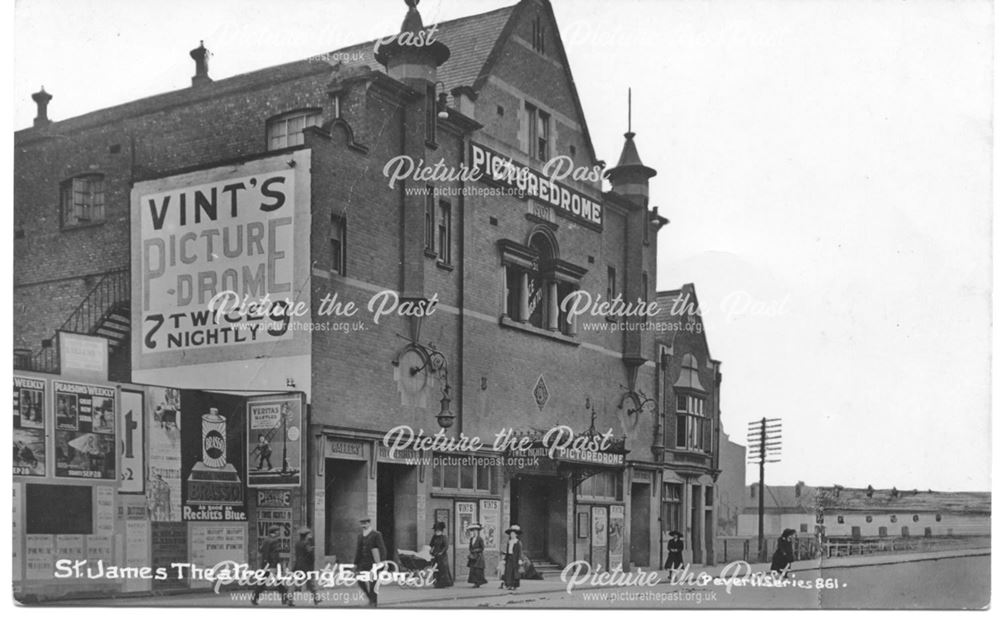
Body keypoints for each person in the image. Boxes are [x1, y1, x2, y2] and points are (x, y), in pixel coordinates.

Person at [251, 526, 289, 606]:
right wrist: (274, 566)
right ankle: (285, 598)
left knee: (262, 582)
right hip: (272, 565)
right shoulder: (274, 541)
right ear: (274, 532)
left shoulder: (266, 540)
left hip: (265, 565)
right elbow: (274, 555)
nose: (279, 533)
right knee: (279, 582)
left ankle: (254, 597)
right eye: (278, 531)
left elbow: (261, 551)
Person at [354, 518, 387, 607]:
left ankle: (373, 602)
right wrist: (356, 563)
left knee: (373, 583)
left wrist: (382, 561)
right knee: (360, 580)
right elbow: (358, 550)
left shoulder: (376, 534)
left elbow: (382, 548)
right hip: (363, 561)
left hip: (373, 562)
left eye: (365, 523)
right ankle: (370, 598)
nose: (363, 525)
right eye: (362, 523)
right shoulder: (360, 536)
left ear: (369, 523)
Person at [290, 526, 320, 606]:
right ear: (306, 535)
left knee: (294, 583)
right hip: (305, 566)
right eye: (308, 534)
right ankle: (316, 599)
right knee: (310, 582)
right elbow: (310, 554)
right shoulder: (306, 544)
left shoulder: (297, 543)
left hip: (297, 565)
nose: (310, 536)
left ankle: (289, 599)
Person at [429, 521, 453, 588]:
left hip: (442, 556)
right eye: (436, 530)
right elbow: (431, 545)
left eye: (438, 530)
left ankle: (443, 583)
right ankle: (437, 583)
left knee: (443, 569)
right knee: (435, 569)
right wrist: (431, 551)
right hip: (435, 555)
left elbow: (446, 546)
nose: (436, 532)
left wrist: (441, 552)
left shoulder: (444, 537)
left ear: (441, 531)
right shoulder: (434, 537)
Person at [501, 524, 522, 591]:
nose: (511, 535)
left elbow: (519, 552)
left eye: (513, 534)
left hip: (515, 559)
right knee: (508, 571)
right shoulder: (509, 542)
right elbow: (507, 551)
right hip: (509, 558)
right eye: (511, 534)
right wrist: (505, 559)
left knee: (514, 572)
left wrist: (519, 559)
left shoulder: (517, 542)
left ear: (516, 535)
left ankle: (514, 585)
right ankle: (508, 584)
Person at [466, 523, 487, 588]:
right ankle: (475, 582)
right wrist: (471, 552)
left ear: (478, 532)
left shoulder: (480, 539)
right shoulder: (471, 539)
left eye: (476, 531)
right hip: (473, 556)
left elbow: (482, 548)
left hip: (478, 557)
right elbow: (470, 547)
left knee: (478, 570)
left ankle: (478, 583)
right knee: (473, 569)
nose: (474, 532)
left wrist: (476, 550)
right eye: (473, 531)